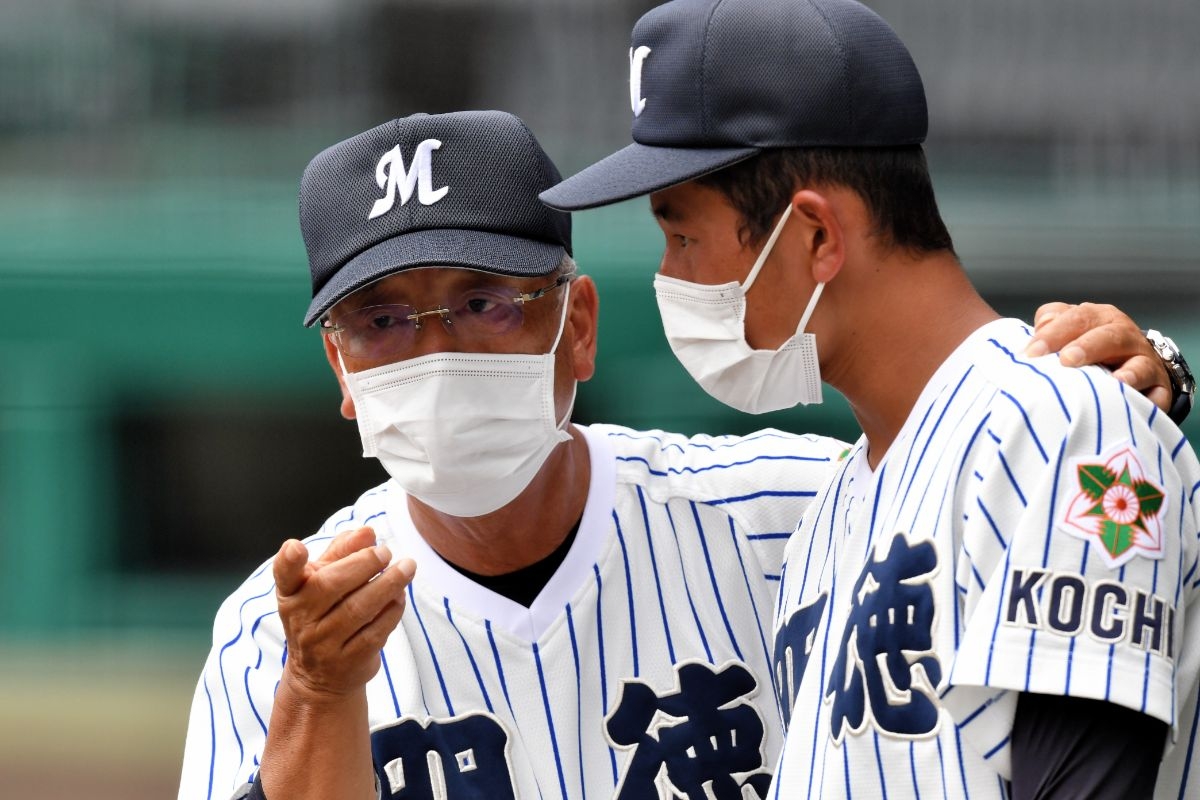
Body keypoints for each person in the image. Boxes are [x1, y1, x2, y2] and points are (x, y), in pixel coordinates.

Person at [178, 109, 1178, 800]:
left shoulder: (797, 517)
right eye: (383, 319)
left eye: (486, 300)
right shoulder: (268, 639)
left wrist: (1122, 382)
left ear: (576, 326)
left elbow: (1059, 513)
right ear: (341, 368)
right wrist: (318, 691)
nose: (437, 349)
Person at [539, 0, 1199, 797]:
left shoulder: (1060, 426)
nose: (669, 277)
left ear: (816, 235)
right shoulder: (831, 513)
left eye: (682, 236)